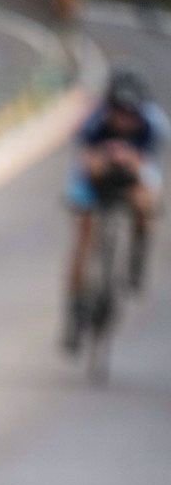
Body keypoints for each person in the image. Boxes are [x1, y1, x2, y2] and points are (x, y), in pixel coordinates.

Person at [63, 69, 169, 351]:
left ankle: (138, 254)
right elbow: (84, 163)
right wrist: (104, 161)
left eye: (130, 114)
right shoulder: (93, 120)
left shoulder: (152, 123)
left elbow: (150, 168)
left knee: (146, 202)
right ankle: (74, 308)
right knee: (84, 232)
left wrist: (131, 162)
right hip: (95, 175)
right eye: (118, 113)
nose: (124, 120)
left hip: (133, 171)